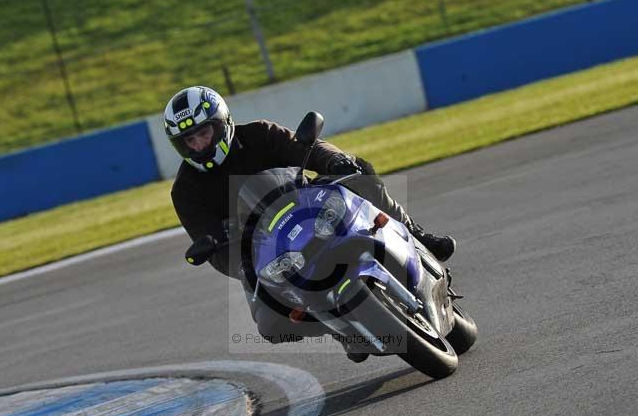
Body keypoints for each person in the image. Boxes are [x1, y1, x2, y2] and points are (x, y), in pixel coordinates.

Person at [166, 86, 455, 355]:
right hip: (266, 250)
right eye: (189, 141)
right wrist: (243, 266)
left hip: (311, 205)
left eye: (203, 133)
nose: (198, 144)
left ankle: (416, 234)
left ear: (222, 122)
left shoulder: (259, 134)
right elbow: (212, 247)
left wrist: (334, 161)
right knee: (270, 324)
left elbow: (309, 147)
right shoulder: (185, 191)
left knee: (359, 173)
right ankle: (340, 328)